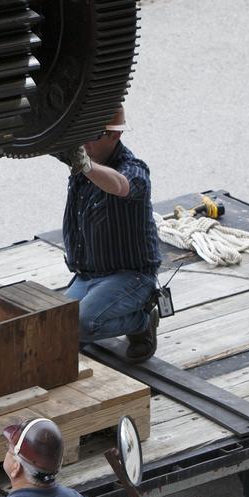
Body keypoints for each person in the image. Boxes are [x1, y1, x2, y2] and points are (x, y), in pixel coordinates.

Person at [60, 106, 163, 361]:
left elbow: (120, 184)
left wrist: (86, 166)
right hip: (87, 275)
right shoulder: (85, 157)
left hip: (130, 276)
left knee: (81, 324)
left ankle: (141, 321)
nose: (83, 143)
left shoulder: (134, 169)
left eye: (91, 135)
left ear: (114, 136)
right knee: (57, 326)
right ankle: (91, 324)